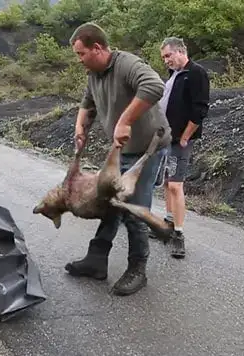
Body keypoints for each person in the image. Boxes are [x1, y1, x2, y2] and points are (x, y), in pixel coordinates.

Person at [64, 22, 172, 296]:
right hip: (121, 151)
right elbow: (87, 102)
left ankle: (138, 269)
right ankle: (96, 259)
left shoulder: (128, 64)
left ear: (97, 48)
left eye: (81, 54)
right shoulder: (94, 73)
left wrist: (125, 120)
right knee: (107, 202)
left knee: (133, 209)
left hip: (148, 149)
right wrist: (80, 126)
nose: (79, 61)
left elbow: (154, 85)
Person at [149, 37, 210, 259]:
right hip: (167, 139)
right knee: (167, 182)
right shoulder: (174, 74)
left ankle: (178, 234)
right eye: (164, 57)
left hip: (179, 141)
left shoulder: (196, 73)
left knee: (175, 185)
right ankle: (167, 223)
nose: (166, 60)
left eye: (168, 55)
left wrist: (185, 137)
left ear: (181, 51)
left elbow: (200, 109)